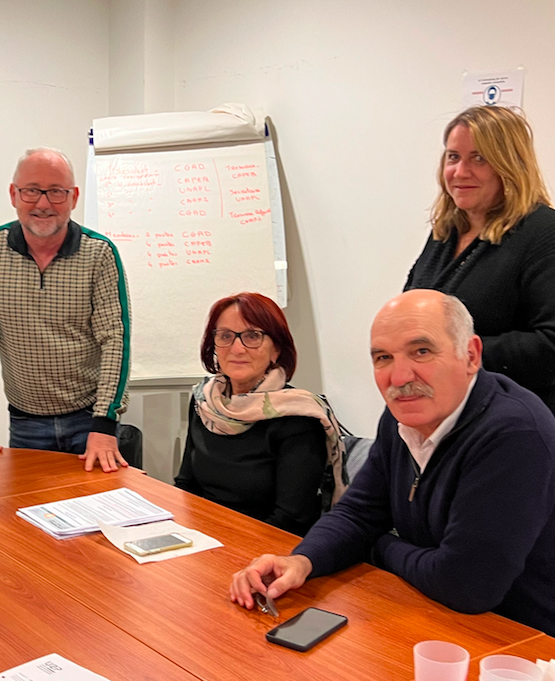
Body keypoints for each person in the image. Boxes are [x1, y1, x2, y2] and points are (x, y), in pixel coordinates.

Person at [229, 290, 555, 635]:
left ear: (471, 356)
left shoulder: (514, 434)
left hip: (521, 641)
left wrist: (377, 545)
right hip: (431, 613)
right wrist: (300, 561)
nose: (399, 378)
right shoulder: (400, 419)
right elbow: (358, 512)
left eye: (422, 351)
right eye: (383, 357)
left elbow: (465, 585)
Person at [0, 147, 131, 472]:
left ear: (74, 197)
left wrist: (106, 423)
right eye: (31, 191)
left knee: (97, 513)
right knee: (29, 515)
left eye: (56, 192)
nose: (43, 203)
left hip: (89, 420)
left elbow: (115, 340)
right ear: (14, 194)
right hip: (25, 421)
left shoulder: (100, 254)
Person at [405, 105, 555, 413]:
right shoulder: (445, 233)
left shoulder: (543, 232)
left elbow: (550, 344)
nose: (460, 172)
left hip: (511, 421)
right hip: (440, 416)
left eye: (479, 159)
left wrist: (456, 356)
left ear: (509, 165)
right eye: (453, 157)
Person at [175, 293, 344, 536]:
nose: (237, 348)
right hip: (204, 537)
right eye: (225, 336)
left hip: (265, 549)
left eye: (252, 336)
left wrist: (224, 547)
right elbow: (186, 486)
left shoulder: (298, 417)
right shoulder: (205, 402)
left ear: (276, 349)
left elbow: (291, 520)